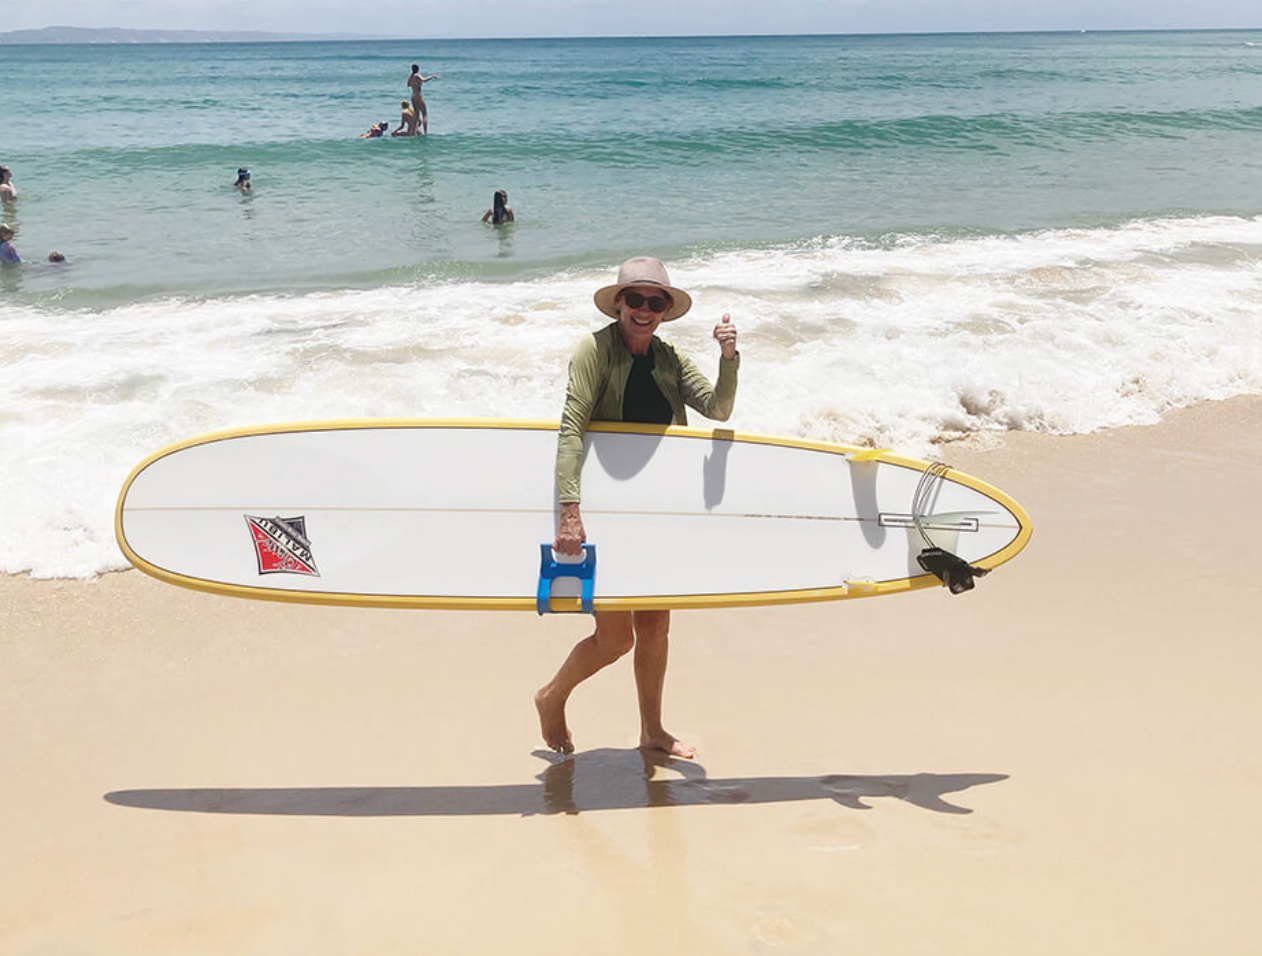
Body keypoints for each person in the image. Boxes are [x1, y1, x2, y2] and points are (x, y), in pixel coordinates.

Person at [535, 256, 741, 759]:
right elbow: (571, 429)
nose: (644, 310)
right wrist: (569, 510)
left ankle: (652, 730)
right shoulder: (594, 351)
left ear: (665, 310)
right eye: (635, 300)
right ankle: (551, 696)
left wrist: (728, 357)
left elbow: (718, 409)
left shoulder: (670, 358)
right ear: (618, 304)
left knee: (656, 628)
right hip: (608, 507)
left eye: (655, 302)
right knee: (614, 638)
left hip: (657, 508)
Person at [406, 64, 440, 134]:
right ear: (418, 69)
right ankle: (425, 132)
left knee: (416, 115)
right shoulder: (417, 75)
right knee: (424, 114)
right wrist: (432, 76)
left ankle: (413, 131)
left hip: (413, 95)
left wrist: (415, 83)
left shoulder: (410, 77)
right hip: (418, 95)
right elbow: (424, 80)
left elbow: (408, 85)